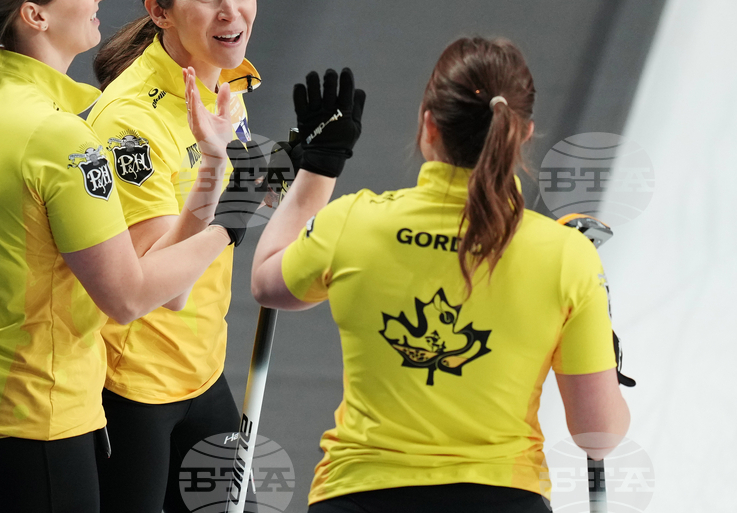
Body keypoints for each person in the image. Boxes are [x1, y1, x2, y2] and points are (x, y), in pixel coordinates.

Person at [0, 0, 243, 513]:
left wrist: (211, 172)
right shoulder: (59, 139)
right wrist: (233, 221)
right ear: (35, 15)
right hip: (30, 417)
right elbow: (129, 297)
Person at [251, 39, 631, 513]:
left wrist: (318, 170)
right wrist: (604, 354)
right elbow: (598, 433)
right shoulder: (567, 256)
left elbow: (267, 283)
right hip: (502, 499)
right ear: (524, 133)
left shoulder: (355, 222)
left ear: (428, 125)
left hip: (359, 495)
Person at [86, 0, 262, 513]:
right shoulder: (127, 122)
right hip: (133, 385)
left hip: (202, 368)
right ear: (159, 10)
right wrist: (232, 209)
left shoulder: (226, 79)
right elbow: (157, 285)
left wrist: (297, 174)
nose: (231, 13)